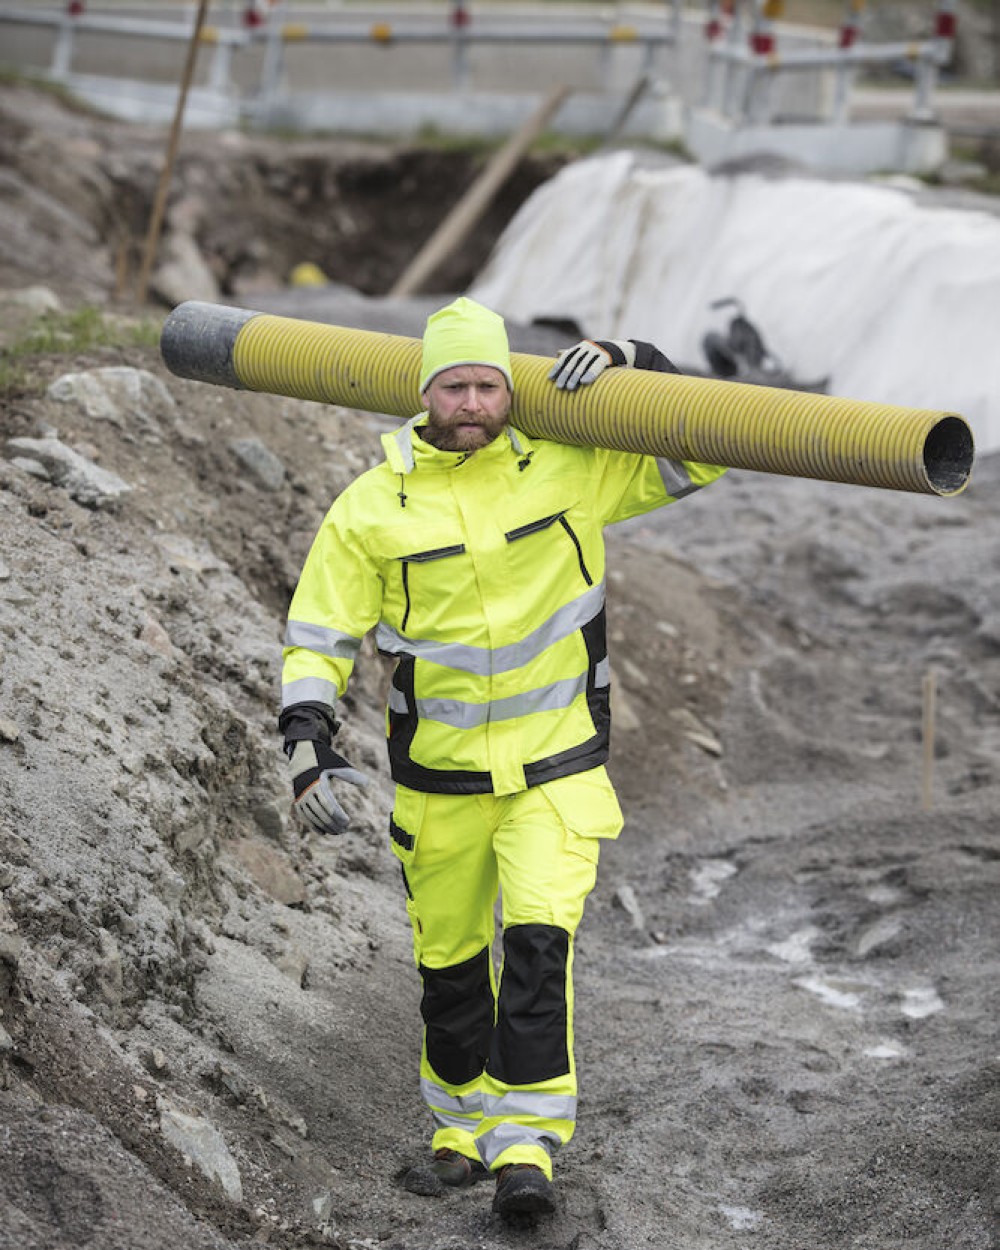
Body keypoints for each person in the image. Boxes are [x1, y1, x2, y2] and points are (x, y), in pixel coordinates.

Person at [279, 297, 727, 1222]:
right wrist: (308, 748)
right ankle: (457, 1135)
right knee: (449, 967)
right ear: (426, 393)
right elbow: (318, 633)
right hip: (438, 784)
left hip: (556, 772)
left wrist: (634, 356)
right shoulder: (372, 507)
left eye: (490, 383)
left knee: (536, 949)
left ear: (509, 387)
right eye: (457, 385)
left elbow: (703, 443)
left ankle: (526, 1148)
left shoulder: (570, 466)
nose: (475, 401)